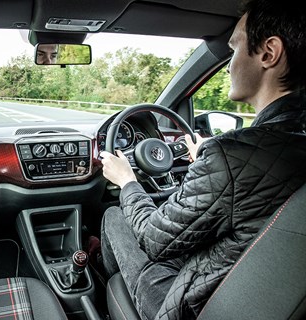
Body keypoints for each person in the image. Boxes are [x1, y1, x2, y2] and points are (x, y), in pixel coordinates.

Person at [99, 0, 306, 319]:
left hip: (189, 304)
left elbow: (154, 239)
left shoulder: (232, 154)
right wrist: (209, 158)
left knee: (115, 216)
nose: (228, 64)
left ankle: (104, 290)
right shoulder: (269, 145)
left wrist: (126, 180)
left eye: (234, 48)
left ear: (269, 52)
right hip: (247, 284)